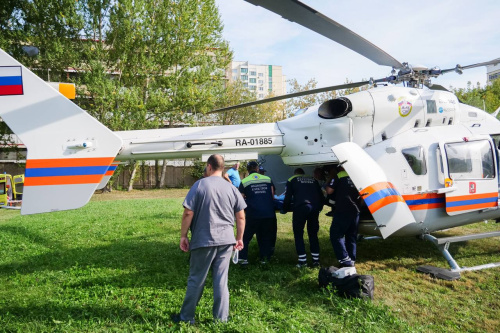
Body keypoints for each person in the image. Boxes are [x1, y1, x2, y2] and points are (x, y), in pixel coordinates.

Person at [172, 154, 246, 324]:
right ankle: (221, 319)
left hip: (203, 239)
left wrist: (183, 235)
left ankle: (186, 318)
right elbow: (241, 217)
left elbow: (188, 212)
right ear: (222, 168)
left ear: (209, 166)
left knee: (196, 279)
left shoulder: (199, 185)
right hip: (226, 241)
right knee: (221, 280)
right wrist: (239, 238)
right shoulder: (232, 188)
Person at [283, 168, 324, 267]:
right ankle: (316, 260)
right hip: (313, 207)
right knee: (313, 233)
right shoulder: (313, 179)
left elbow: (288, 196)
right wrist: (320, 208)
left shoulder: (292, 179)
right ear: (303, 173)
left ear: (295, 173)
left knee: (298, 233)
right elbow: (321, 195)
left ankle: (302, 260)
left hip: (300, 207)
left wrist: (285, 208)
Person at [238, 161, 277, 265]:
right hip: (268, 213)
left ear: (248, 170)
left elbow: (240, 199)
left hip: (253, 213)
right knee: (265, 236)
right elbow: (272, 195)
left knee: (246, 237)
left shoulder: (244, 181)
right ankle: (265, 259)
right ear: (257, 169)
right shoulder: (268, 179)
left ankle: (243, 259)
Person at [325, 166, 360, 268]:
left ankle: (344, 259)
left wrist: (330, 179)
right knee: (351, 236)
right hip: (356, 210)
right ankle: (352, 259)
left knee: (336, 234)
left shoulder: (339, 176)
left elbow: (329, 191)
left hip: (343, 209)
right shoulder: (357, 177)